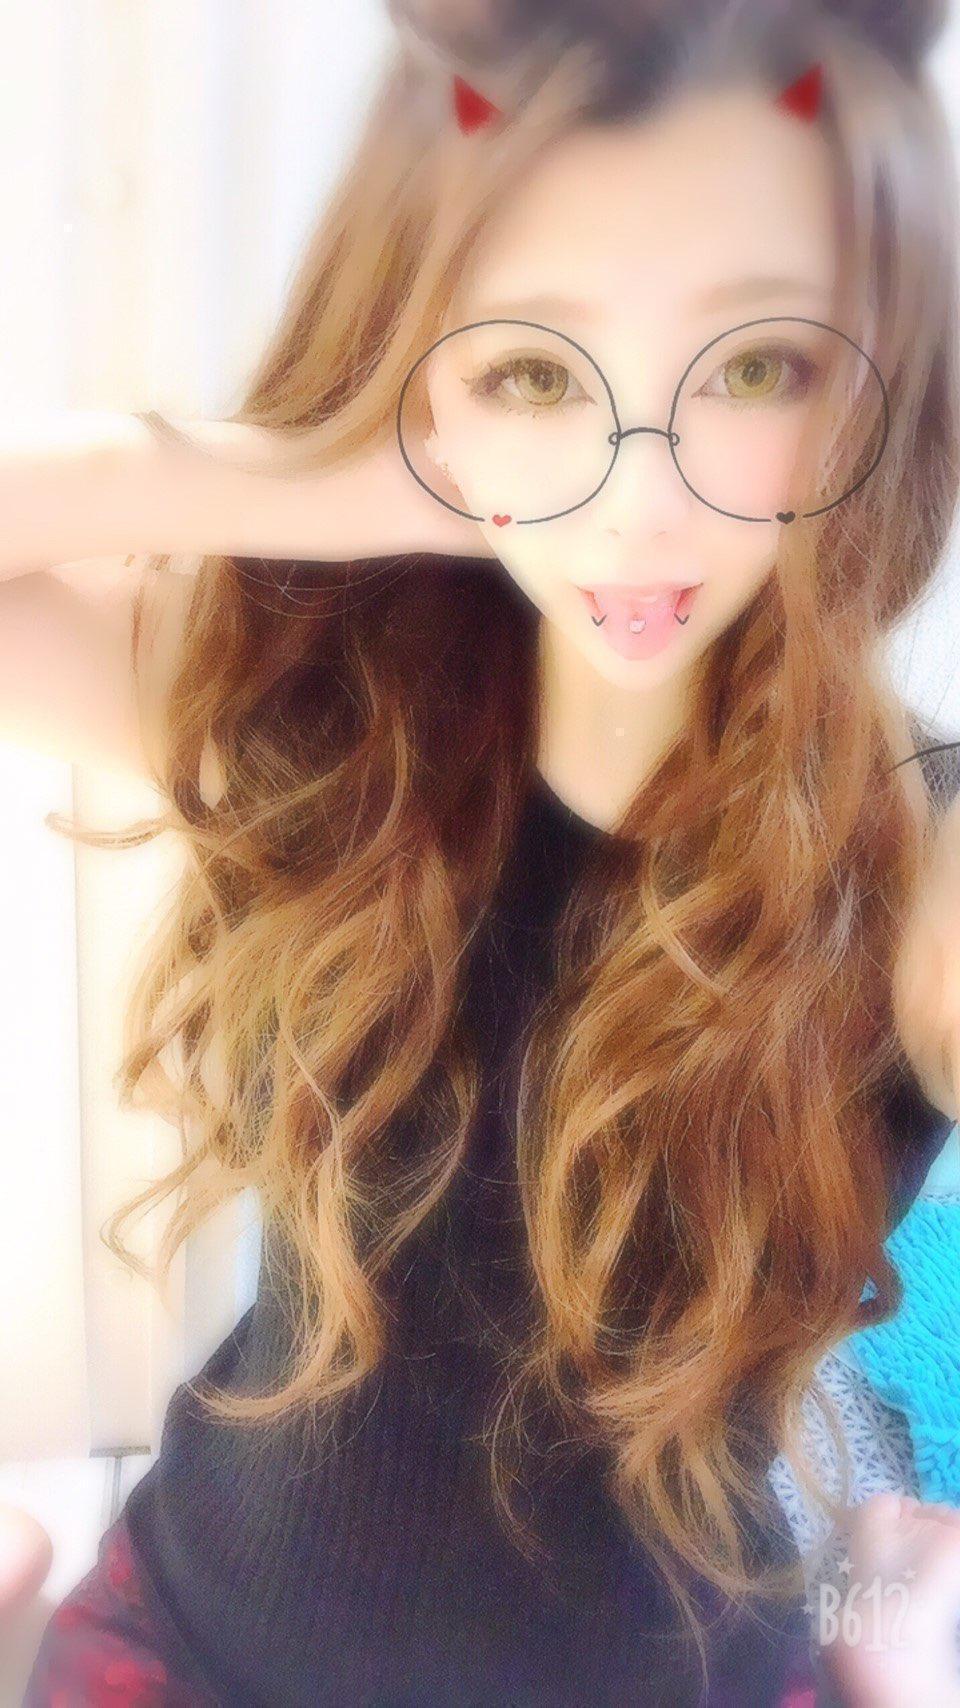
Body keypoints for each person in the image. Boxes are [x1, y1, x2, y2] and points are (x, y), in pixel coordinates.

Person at [7, 0, 960, 1701]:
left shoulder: (913, 867)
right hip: (204, 1642)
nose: (639, 504)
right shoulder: (336, 736)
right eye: (537, 369)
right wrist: (329, 486)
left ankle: (888, 1600)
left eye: (757, 366)